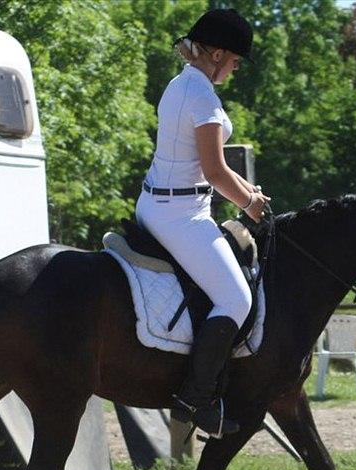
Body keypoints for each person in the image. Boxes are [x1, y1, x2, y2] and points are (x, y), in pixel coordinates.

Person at [135, 8, 271, 438]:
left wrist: (248, 190)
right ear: (216, 53)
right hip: (181, 216)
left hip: (160, 203)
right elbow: (214, 171)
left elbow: (208, 172)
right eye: (234, 61)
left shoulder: (182, 84)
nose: (235, 68)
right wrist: (250, 202)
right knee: (236, 299)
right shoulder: (202, 98)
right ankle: (195, 398)